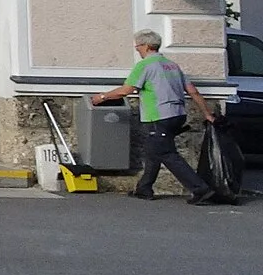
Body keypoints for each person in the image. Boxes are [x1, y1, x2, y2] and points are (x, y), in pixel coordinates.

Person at [91, 30, 217, 204]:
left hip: (158, 116)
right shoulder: (173, 66)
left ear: (146, 46)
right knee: (153, 150)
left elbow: (126, 90)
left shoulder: (145, 66)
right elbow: (193, 91)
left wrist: (103, 97)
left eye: (138, 46)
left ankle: (200, 190)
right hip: (178, 115)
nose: (137, 50)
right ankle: (144, 188)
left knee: (166, 153)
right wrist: (207, 114)